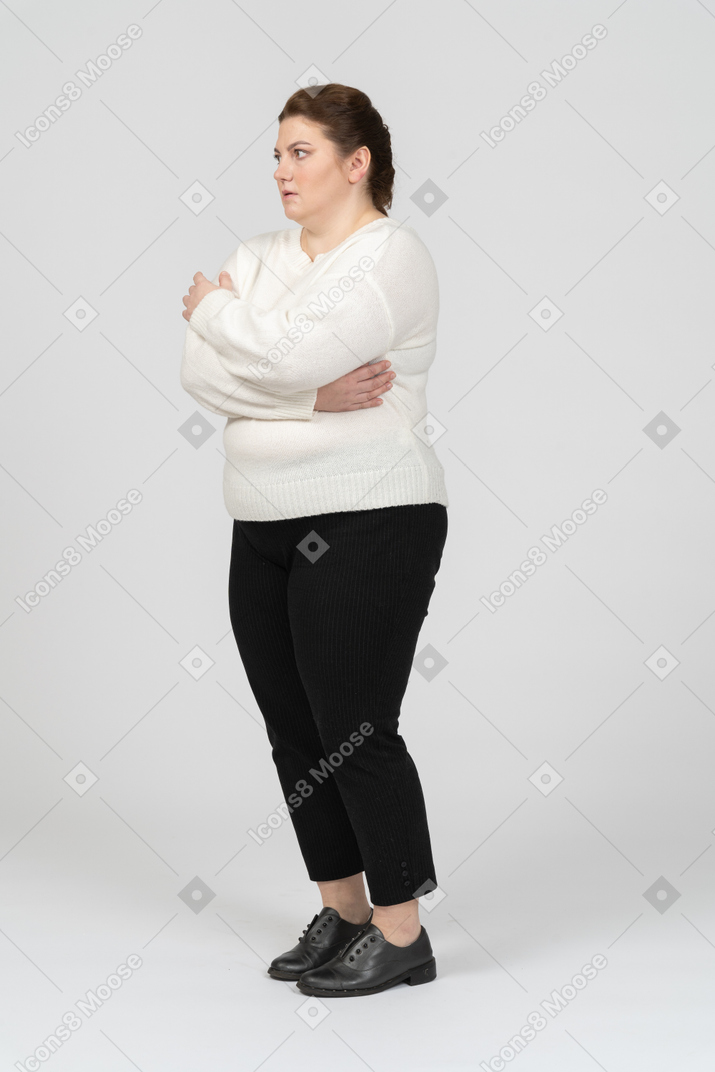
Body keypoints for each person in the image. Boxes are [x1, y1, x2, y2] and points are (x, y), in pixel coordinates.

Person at [180, 83, 448, 998]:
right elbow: (206, 376)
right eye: (278, 154)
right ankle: (343, 914)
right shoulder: (257, 254)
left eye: (300, 152)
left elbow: (263, 352)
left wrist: (216, 315)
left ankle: (402, 931)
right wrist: (306, 398)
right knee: (293, 729)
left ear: (355, 161)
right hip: (259, 519)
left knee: (355, 728)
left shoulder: (391, 256)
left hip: (369, 513)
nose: (281, 170)